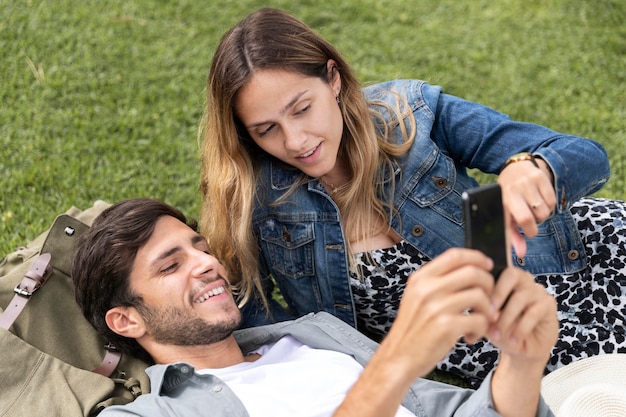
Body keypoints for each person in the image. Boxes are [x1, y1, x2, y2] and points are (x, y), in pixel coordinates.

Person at [198, 7, 626, 385]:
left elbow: (584, 155)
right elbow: (242, 302)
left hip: (569, 248)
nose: (295, 141)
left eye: (301, 108)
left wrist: (536, 169)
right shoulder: (253, 196)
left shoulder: (410, 113)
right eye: (266, 129)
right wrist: (308, 355)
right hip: (500, 333)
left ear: (332, 79)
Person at [71, 198, 558, 417]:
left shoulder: (314, 338)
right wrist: (394, 363)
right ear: (126, 319)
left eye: (200, 247)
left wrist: (522, 358)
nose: (206, 263)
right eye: (170, 265)